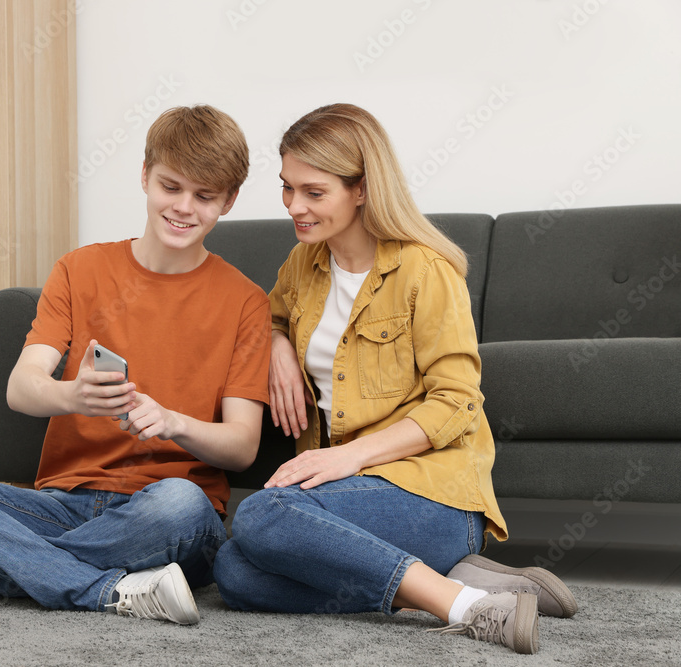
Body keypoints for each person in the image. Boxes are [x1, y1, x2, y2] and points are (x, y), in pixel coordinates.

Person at [0, 105, 271, 625]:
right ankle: (107, 589)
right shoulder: (81, 268)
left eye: (204, 197)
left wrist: (174, 423)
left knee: (180, 502)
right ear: (144, 176)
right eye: (170, 187)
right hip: (63, 504)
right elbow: (22, 388)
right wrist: (72, 396)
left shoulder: (244, 301)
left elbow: (243, 446)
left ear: (229, 200)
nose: (183, 207)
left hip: (168, 513)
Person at [212, 103, 577, 654]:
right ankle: (447, 583)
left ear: (361, 189)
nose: (294, 206)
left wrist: (351, 457)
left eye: (314, 192)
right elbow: (264, 317)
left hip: (432, 496)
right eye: (288, 188)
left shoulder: (424, 271)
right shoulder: (303, 264)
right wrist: (277, 344)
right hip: (347, 498)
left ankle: (467, 608)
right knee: (234, 570)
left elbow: (457, 402)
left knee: (262, 515)